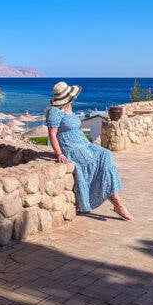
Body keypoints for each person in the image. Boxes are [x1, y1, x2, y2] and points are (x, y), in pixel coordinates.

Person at [46, 81, 134, 221]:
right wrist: (59, 153)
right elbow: (52, 134)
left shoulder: (69, 108)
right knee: (95, 164)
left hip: (84, 143)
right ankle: (117, 202)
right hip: (72, 148)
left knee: (106, 154)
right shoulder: (54, 112)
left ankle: (114, 199)